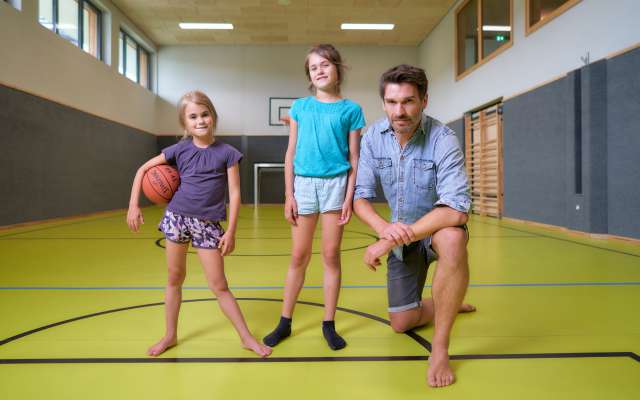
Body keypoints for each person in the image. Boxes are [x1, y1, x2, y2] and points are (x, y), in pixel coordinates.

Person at [353, 65, 475, 387]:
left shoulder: (443, 139)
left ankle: (440, 346)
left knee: (452, 239)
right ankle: (449, 300)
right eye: (392, 102)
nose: (400, 111)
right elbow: (360, 199)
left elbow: (456, 209)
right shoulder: (372, 140)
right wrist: (384, 229)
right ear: (382, 103)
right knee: (401, 323)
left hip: (436, 228)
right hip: (402, 235)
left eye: (408, 101)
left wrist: (387, 242)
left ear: (424, 101)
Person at [126, 91, 272, 358]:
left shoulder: (228, 153)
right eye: (193, 117)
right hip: (177, 218)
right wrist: (134, 205)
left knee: (219, 285)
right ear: (185, 123)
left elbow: (236, 194)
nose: (200, 120)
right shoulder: (179, 149)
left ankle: (246, 337)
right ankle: (170, 335)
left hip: (207, 225)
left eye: (204, 114)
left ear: (213, 116)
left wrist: (231, 230)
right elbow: (142, 170)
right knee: (174, 277)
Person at [263, 44, 365, 350]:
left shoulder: (352, 110)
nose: (319, 70)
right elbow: (290, 152)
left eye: (324, 64)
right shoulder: (300, 107)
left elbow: (355, 158)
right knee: (299, 256)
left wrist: (349, 198)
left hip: (336, 185)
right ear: (309, 75)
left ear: (338, 67)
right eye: (313, 67)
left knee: (331, 255)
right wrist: (288, 194)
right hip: (304, 186)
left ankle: (329, 323)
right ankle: (284, 322)